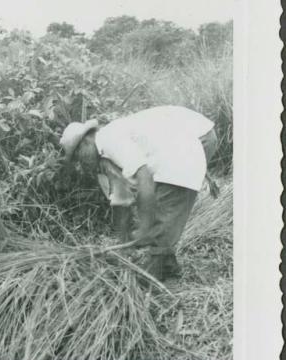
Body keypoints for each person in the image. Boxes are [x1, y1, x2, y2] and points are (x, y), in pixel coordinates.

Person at [59, 105, 218, 281]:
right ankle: (168, 268)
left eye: (78, 156)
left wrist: (145, 228)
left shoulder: (109, 140)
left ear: (87, 141)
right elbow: (121, 201)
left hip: (196, 136)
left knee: (161, 217)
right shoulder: (104, 162)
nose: (80, 165)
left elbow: (145, 180)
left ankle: (151, 280)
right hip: (186, 140)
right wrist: (123, 244)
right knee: (160, 212)